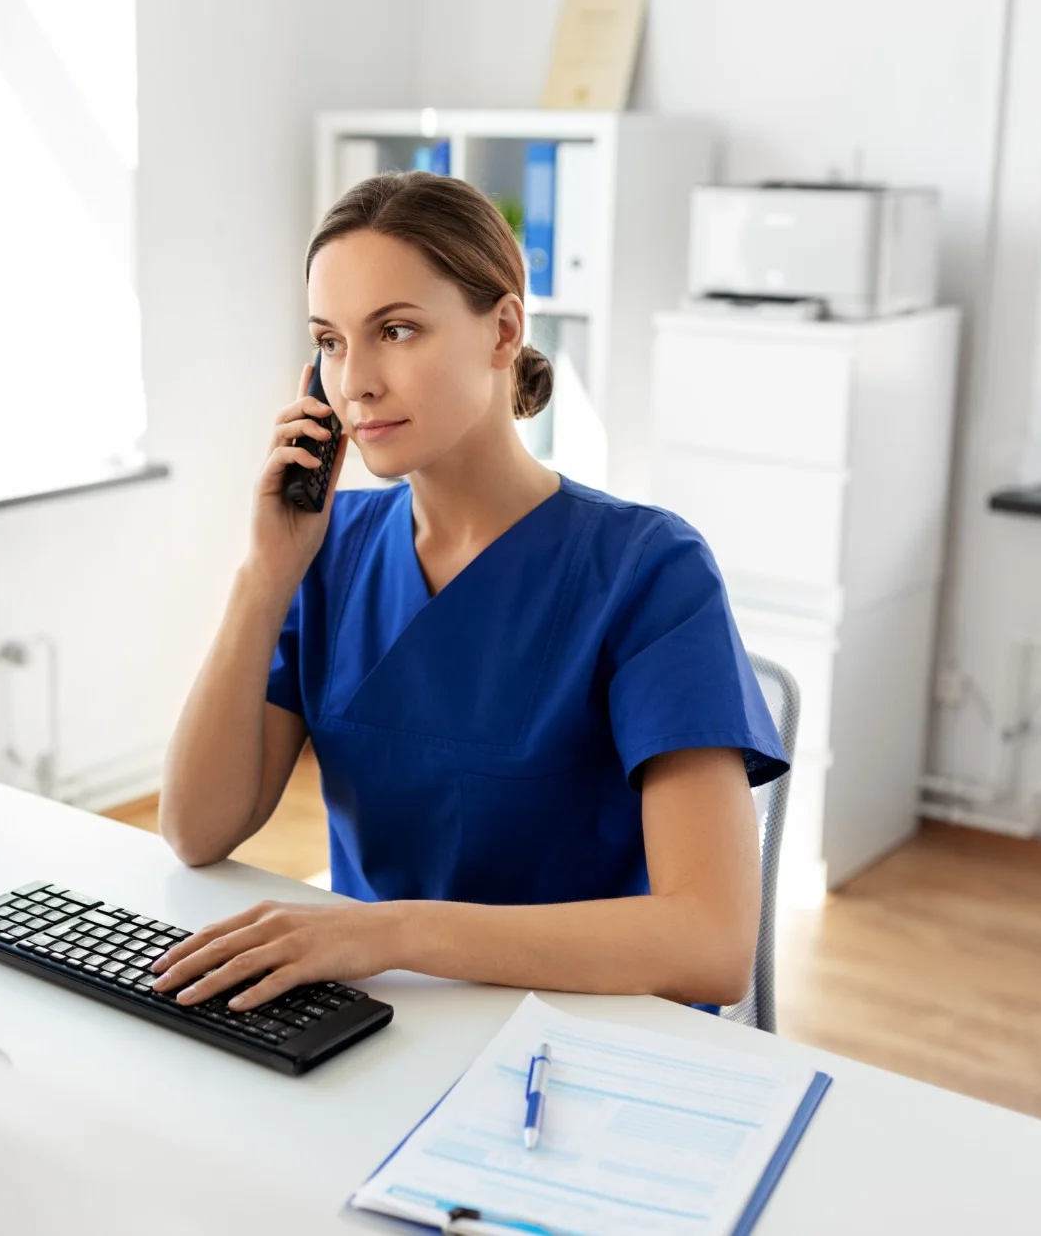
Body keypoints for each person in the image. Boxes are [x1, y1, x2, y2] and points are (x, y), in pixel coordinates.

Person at [151, 171, 786, 1016]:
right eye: (331, 343)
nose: (356, 383)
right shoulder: (327, 551)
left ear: (503, 330)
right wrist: (262, 575)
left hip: (585, 1040)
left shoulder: (648, 570)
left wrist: (392, 934)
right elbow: (196, 829)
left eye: (397, 330)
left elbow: (710, 944)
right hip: (382, 1024)